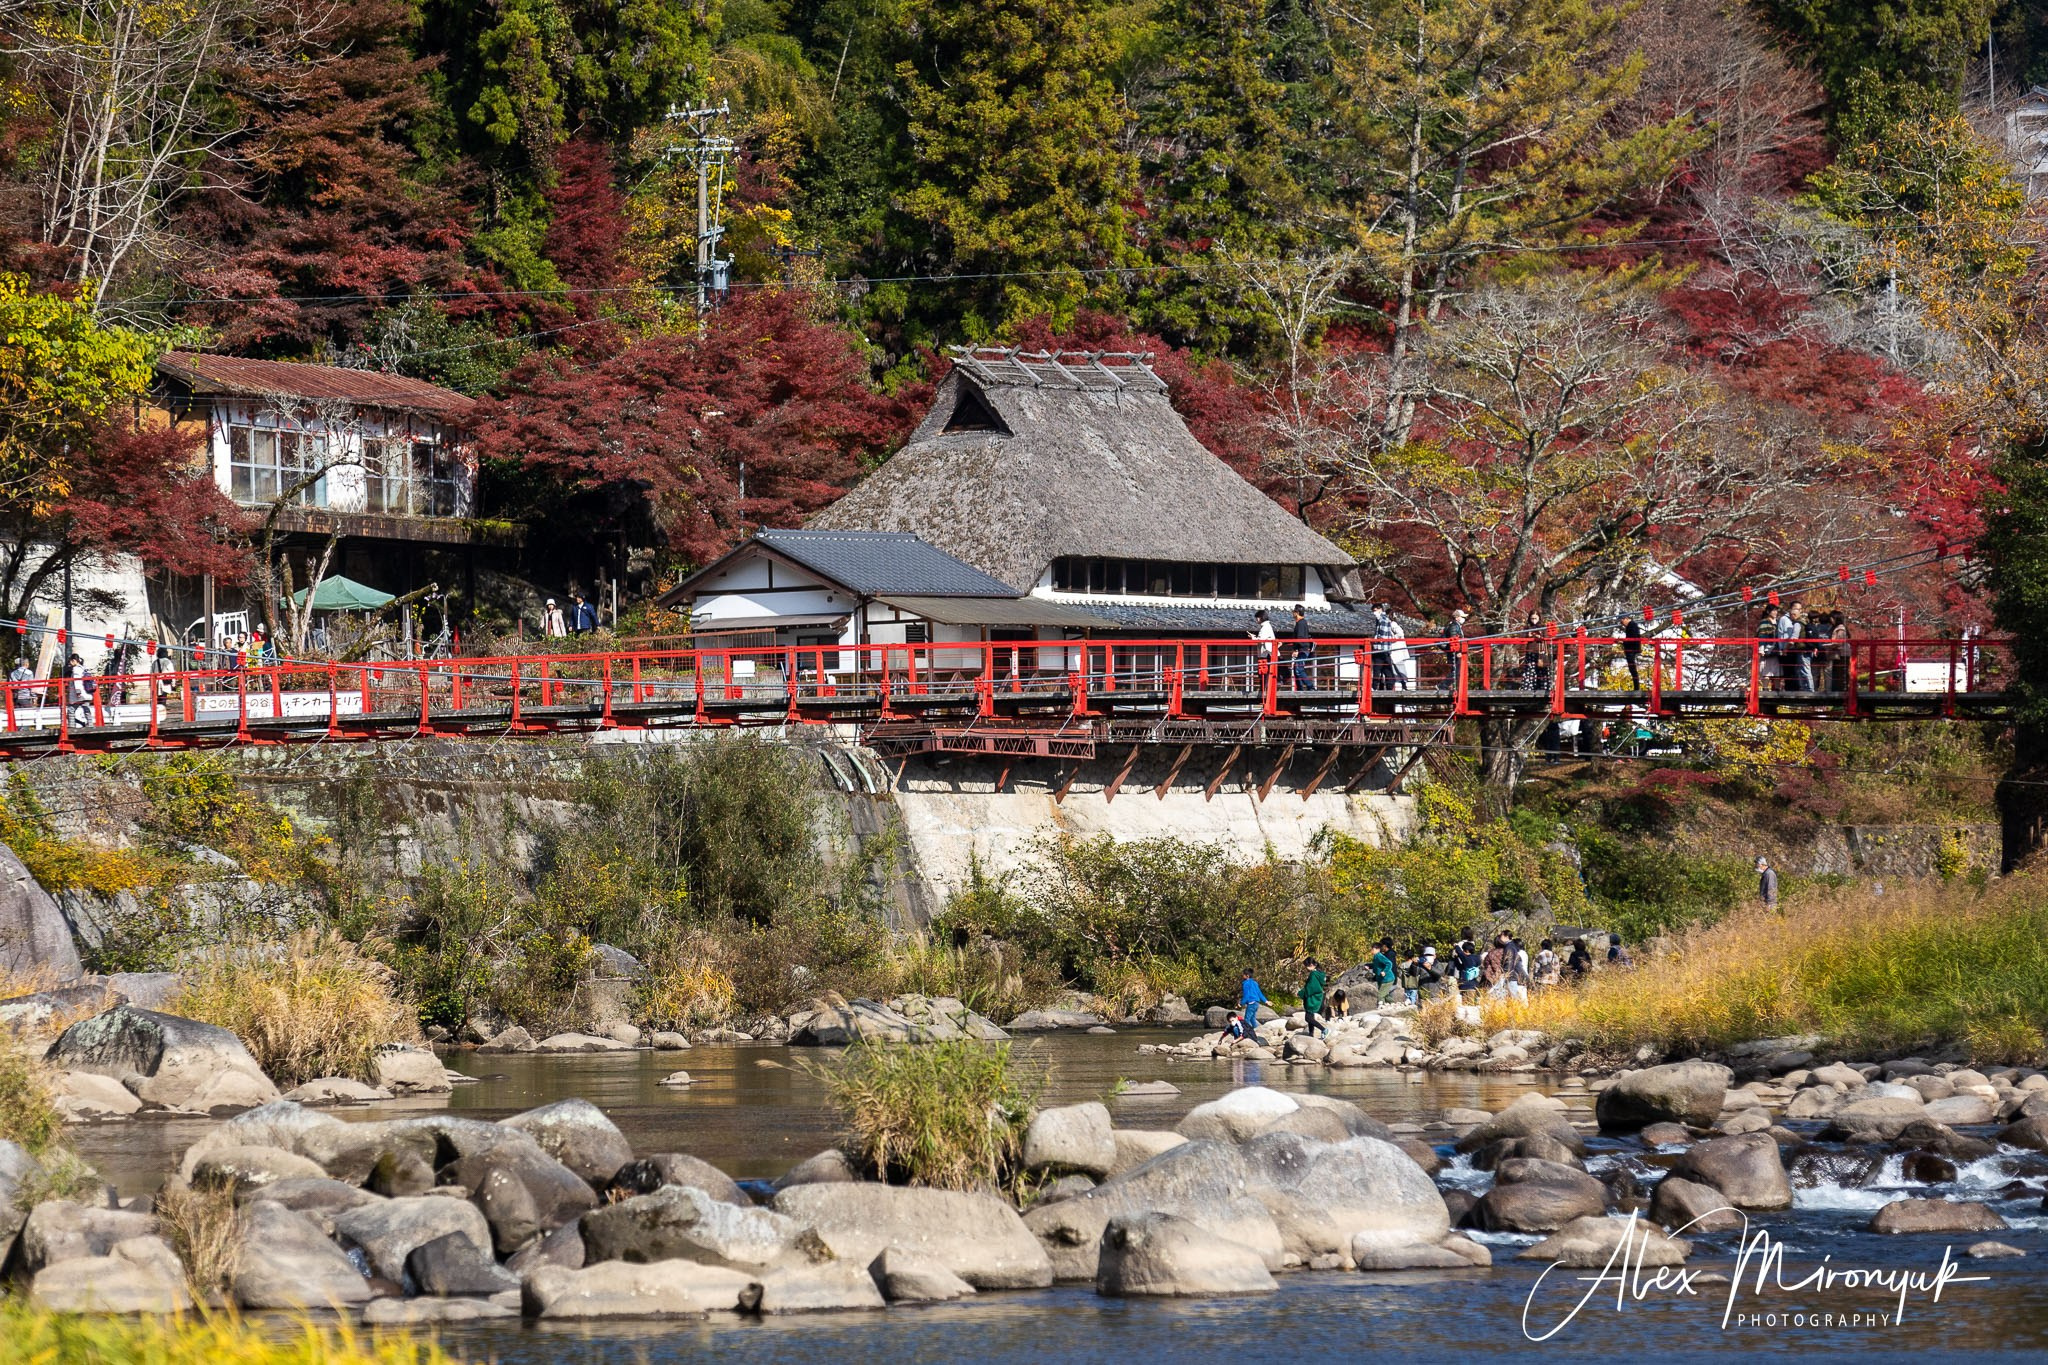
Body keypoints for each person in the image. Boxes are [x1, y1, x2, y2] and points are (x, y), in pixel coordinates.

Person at [1370, 606, 1397, 694]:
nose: (1374, 613)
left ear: (1380, 609)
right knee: (1387, 668)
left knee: (1377, 668)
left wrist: (1376, 640)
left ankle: (1374, 687)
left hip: (1380, 648)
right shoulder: (1385, 619)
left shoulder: (1383, 619)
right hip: (1386, 649)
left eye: (1375, 610)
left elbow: (1382, 634)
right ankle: (1390, 687)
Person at [1286, 604, 1314, 690]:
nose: (1292, 613)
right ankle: (1300, 688)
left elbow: (1300, 638)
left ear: (1297, 612)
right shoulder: (1301, 622)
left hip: (1302, 649)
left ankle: (1310, 686)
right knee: (1296, 669)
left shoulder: (1301, 623)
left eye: (1294, 612)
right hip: (1303, 648)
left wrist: (1297, 649)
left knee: (1298, 669)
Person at [1519, 612, 1548, 692]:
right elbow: (1522, 637)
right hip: (1530, 651)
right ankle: (1528, 689)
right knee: (1529, 670)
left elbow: (1546, 637)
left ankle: (1542, 688)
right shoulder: (1527, 627)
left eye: (1535, 618)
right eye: (1532, 618)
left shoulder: (1543, 627)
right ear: (1529, 618)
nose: (1534, 620)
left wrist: (1539, 636)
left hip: (1540, 652)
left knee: (1542, 670)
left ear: (1539, 618)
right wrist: (1528, 635)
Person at [1368, 937, 1400, 1005]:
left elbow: (1389, 965)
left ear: (1385, 946)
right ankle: (1394, 1005)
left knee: (1381, 995)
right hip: (1385, 978)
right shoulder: (1384, 955)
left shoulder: (1388, 955)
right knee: (1385, 996)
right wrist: (1370, 966)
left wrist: (1384, 972)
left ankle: (1382, 1007)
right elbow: (1378, 965)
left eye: (1381, 945)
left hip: (1388, 979)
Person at [1300, 957, 1327, 1038]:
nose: (1306, 968)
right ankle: (1311, 1034)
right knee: (1310, 1016)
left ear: (1311, 965)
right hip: (1317, 997)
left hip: (1312, 998)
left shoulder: (1313, 974)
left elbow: (1311, 987)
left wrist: (1301, 993)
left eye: (1306, 966)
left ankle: (1324, 1030)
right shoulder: (1320, 973)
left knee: (1308, 1018)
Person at [1248, 611, 1276, 689]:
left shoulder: (1265, 627)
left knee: (1264, 671)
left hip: (1266, 652)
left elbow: (1261, 640)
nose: (1256, 619)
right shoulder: (1266, 626)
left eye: (1257, 617)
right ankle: (1265, 688)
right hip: (1266, 652)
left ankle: (1265, 688)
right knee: (1264, 671)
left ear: (1261, 618)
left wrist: (1253, 638)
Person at [1451, 932, 1484, 999]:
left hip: (1466, 986)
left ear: (1466, 950)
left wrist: (1456, 946)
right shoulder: (1477, 958)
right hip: (1475, 985)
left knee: (1467, 1004)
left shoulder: (1467, 959)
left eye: (1463, 950)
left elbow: (1460, 952)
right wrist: (1456, 959)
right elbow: (1460, 967)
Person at [66, 652, 92, 726]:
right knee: (86, 708)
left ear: (74, 660)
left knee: (71, 710)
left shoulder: (76, 669)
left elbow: (77, 681)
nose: (70, 663)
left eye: (71, 661)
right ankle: (90, 724)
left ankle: (71, 725)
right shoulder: (84, 668)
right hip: (86, 692)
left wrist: (78, 691)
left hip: (78, 694)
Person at [1622, 618, 1643, 690]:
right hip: (1632, 649)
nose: (1622, 623)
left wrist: (1624, 642)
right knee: (1632, 668)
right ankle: (1636, 686)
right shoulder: (1632, 625)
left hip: (1631, 649)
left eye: (1622, 621)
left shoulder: (1632, 625)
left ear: (1626, 619)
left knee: (1632, 668)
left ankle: (1636, 687)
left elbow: (1632, 638)